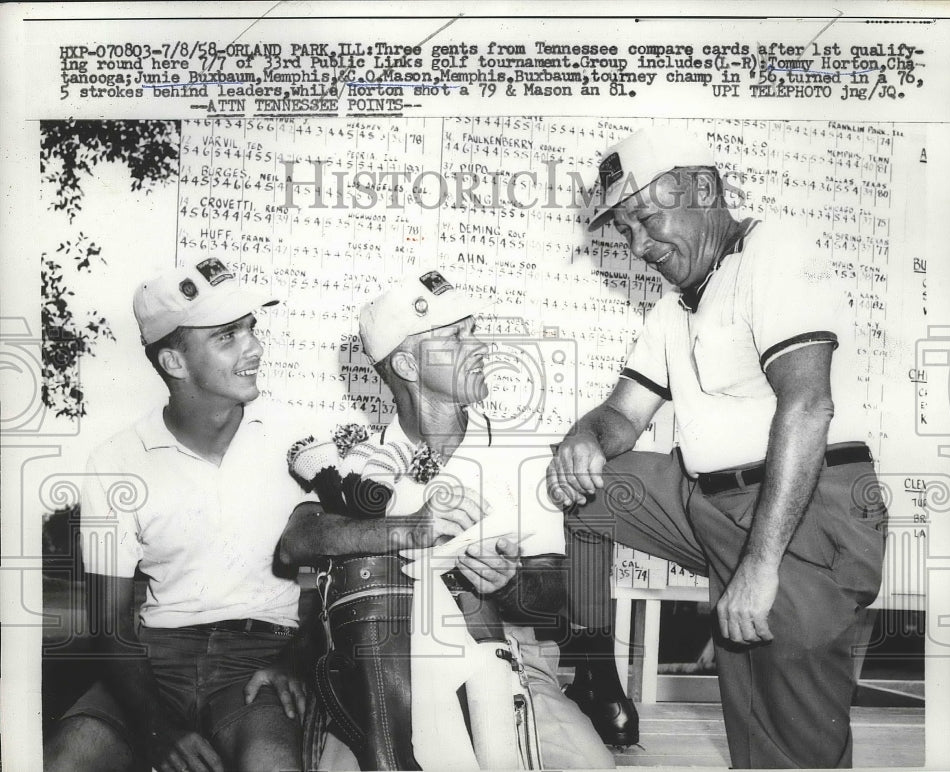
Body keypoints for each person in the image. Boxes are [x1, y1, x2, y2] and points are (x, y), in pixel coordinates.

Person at [547, 127, 887, 768]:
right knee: (587, 492)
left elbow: (808, 406)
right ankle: (593, 669)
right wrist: (581, 440)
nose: (640, 246)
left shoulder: (775, 250)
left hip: (805, 511)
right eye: (626, 232)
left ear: (704, 189)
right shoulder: (674, 309)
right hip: (709, 504)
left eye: (646, 219)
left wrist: (761, 569)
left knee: (783, 749)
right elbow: (622, 414)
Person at [280, 270, 615, 770]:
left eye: (473, 330)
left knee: (589, 767)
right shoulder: (363, 462)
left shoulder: (523, 453)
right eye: (456, 337)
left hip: (504, 655)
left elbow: (555, 593)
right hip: (381, 670)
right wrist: (410, 528)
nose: (479, 346)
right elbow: (296, 540)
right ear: (408, 364)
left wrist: (510, 582)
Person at [44, 259, 316, 772]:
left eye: (251, 329)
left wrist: (293, 660)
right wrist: (154, 729)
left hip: (256, 662)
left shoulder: (295, 441)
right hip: (153, 664)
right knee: (66, 759)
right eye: (227, 336)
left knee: (273, 765)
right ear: (174, 362)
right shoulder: (115, 461)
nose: (254, 347)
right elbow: (110, 622)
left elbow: (336, 574)